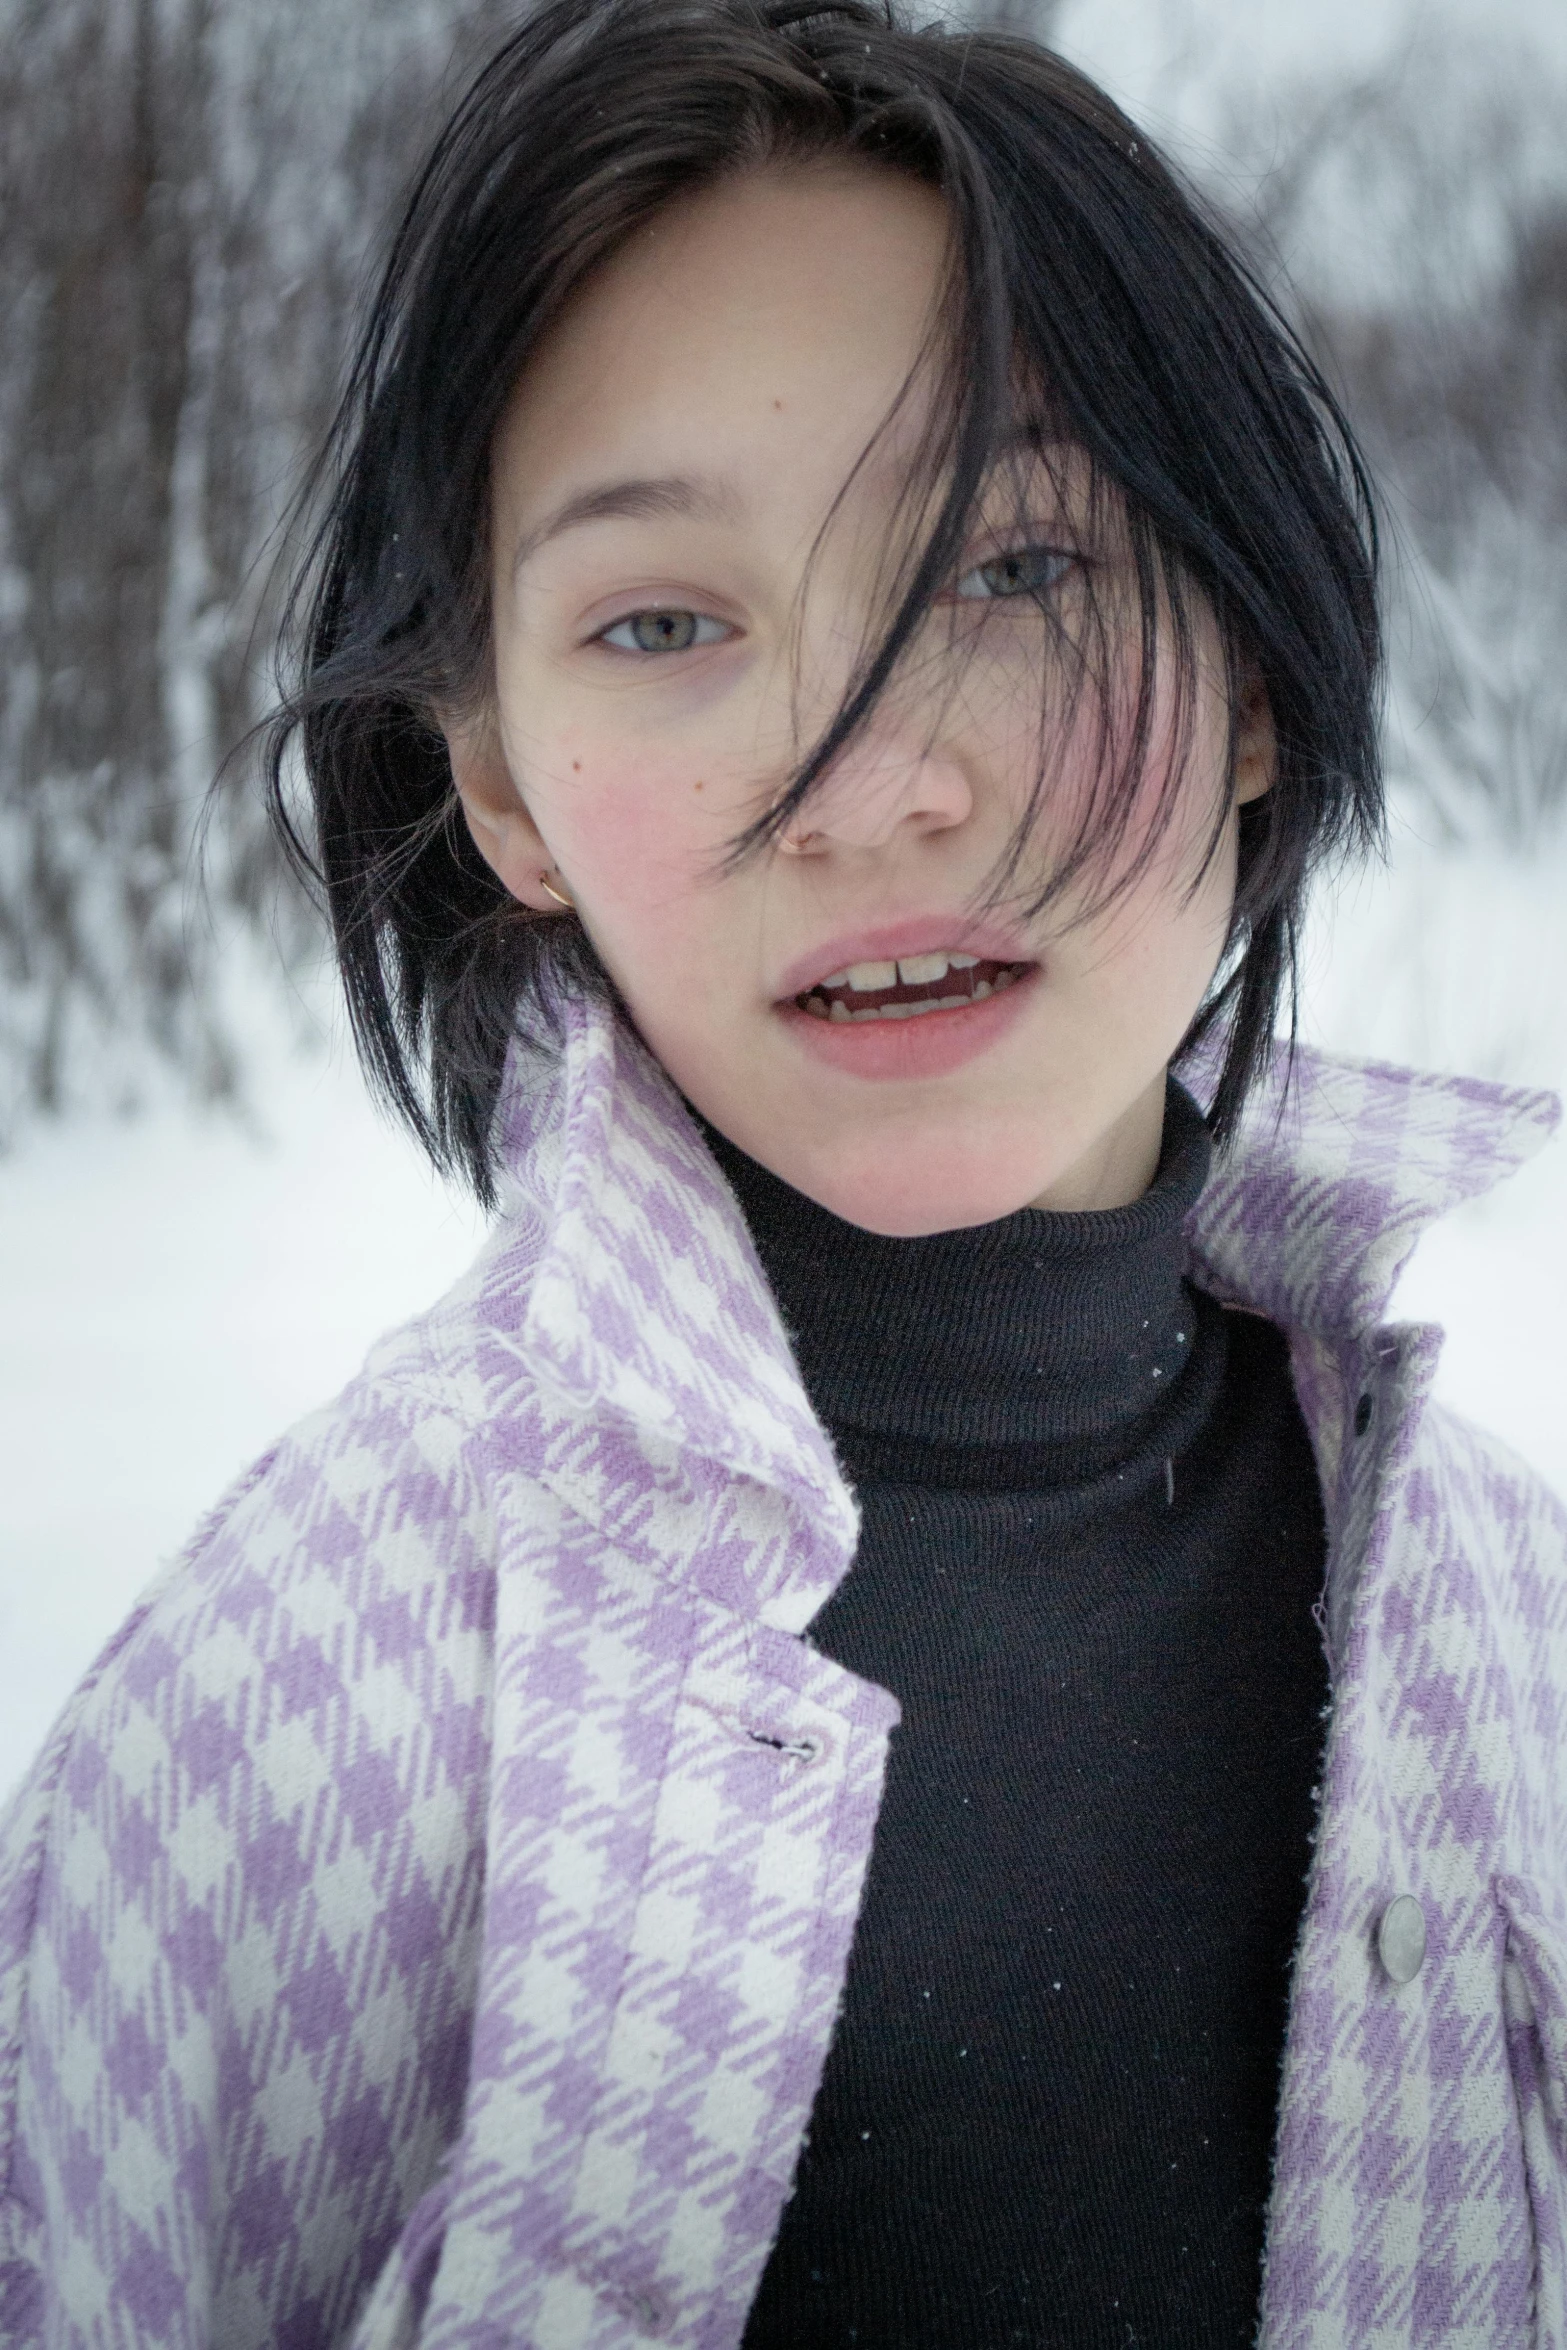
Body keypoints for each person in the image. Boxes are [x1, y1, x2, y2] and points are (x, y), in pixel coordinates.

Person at [2, 1, 1563, 2343]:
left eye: (1018, 568)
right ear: (503, 782)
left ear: (1253, 656)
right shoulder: (299, 1725)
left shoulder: (1507, 1637)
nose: (869, 785)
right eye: (662, 624)